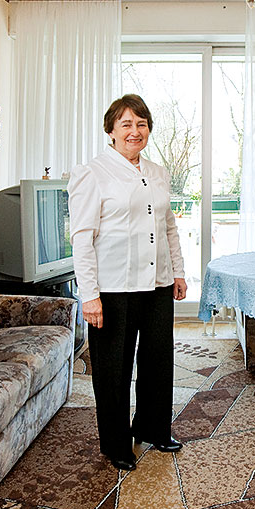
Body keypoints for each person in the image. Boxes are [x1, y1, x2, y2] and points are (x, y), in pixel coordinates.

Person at [68, 93, 188, 472]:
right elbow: (82, 238)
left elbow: (168, 227)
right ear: (111, 130)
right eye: (126, 124)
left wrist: (178, 272)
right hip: (113, 288)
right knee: (113, 369)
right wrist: (90, 296)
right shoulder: (92, 174)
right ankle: (116, 443)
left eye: (141, 124)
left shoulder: (158, 172)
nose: (135, 131)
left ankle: (153, 428)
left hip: (157, 283)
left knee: (157, 361)